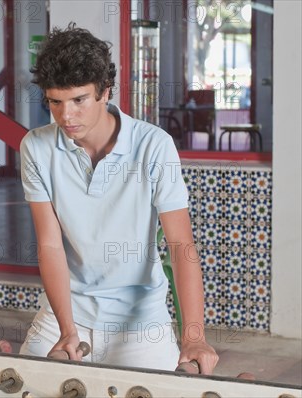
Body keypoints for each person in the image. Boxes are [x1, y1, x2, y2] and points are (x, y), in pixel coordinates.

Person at [18, 24, 219, 374]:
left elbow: (180, 243)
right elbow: (49, 245)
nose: (66, 116)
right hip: (66, 310)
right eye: (55, 102)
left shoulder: (154, 146)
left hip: (140, 318)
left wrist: (194, 337)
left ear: (104, 92)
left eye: (78, 100)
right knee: (18, 384)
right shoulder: (35, 147)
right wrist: (68, 331)